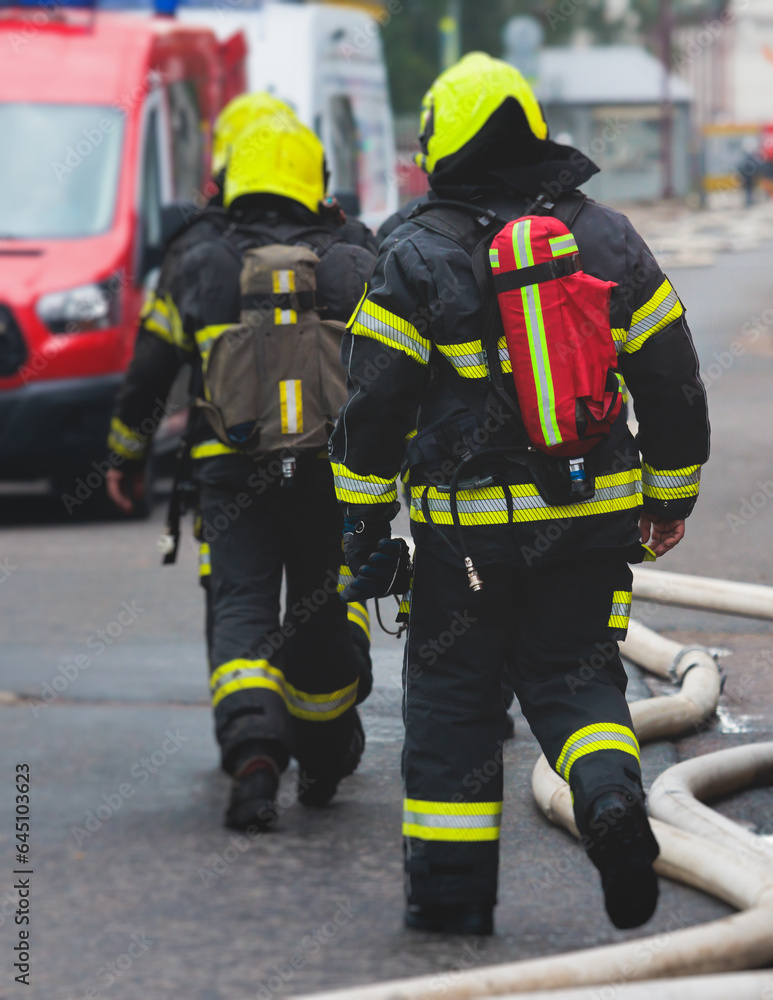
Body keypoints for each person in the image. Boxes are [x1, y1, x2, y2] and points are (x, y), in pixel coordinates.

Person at [331, 53, 710, 935]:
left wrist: (363, 522)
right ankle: (610, 802)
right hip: (588, 527)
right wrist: (669, 498)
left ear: (444, 145)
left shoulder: (413, 253)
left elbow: (374, 407)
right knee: (578, 682)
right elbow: (672, 380)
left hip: (467, 547)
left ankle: (452, 898)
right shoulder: (607, 238)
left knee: (453, 706)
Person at [107, 112, 376, 832]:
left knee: (242, 607)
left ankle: (255, 757)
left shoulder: (198, 256)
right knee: (322, 606)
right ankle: (325, 753)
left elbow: (150, 370)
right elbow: (394, 371)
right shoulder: (353, 255)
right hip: (328, 475)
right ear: (315, 179)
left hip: (229, 472)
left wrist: (125, 455)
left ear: (231, 178)